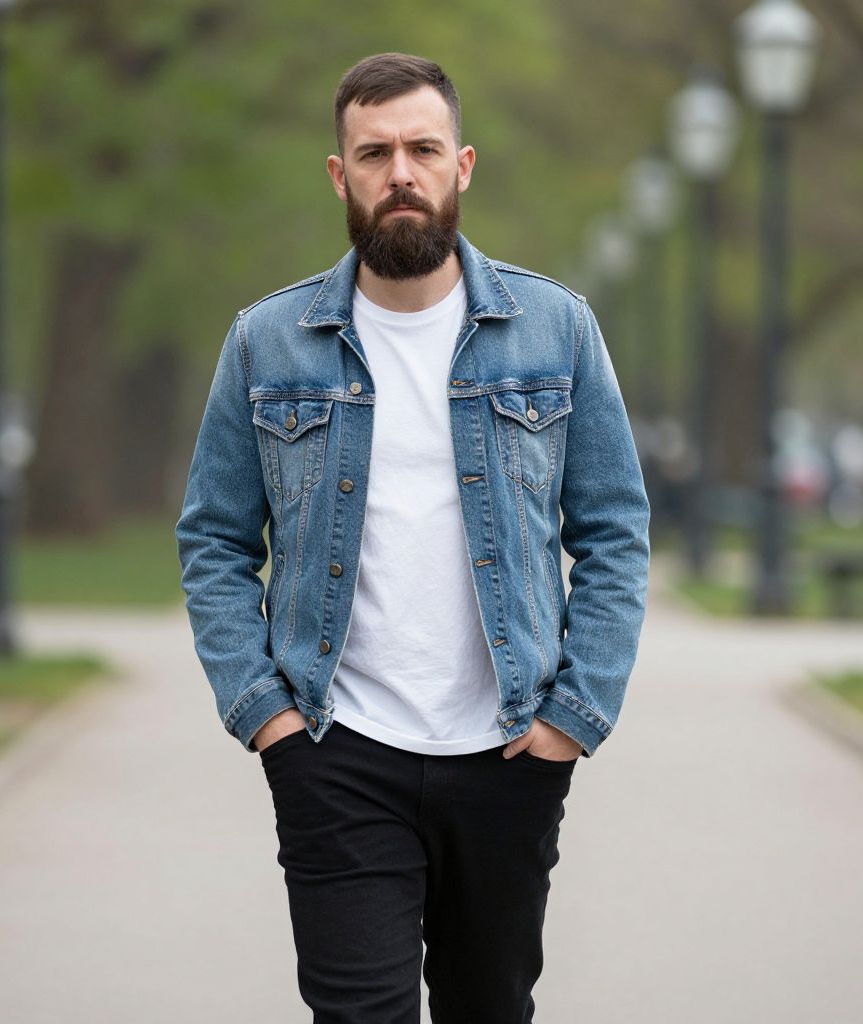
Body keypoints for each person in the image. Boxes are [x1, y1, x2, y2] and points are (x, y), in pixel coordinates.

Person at [175, 51, 650, 1024]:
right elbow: (214, 540)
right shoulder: (267, 342)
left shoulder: (553, 328)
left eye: (422, 149)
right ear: (339, 172)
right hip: (335, 746)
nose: (401, 172)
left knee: (489, 1006)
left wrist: (576, 712)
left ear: (461, 165)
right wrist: (262, 711)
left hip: (511, 750)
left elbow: (615, 530)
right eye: (376, 151)